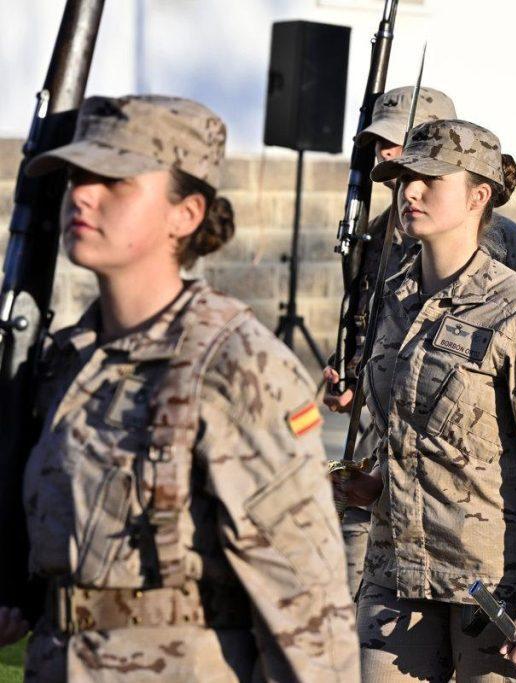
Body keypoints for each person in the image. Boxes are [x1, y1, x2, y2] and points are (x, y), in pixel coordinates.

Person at [0, 95, 358, 681]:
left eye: (114, 180)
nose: (83, 194)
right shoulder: (61, 364)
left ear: (186, 214)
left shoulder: (236, 366)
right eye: (78, 177)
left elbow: (308, 607)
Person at [339, 118, 516, 681]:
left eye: (430, 180)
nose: (410, 191)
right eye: (404, 178)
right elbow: (406, 426)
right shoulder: (395, 297)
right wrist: (369, 479)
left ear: (479, 195)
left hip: (493, 585)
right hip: (397, 571)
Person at [322, 85, 516, 599]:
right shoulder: (375, 234)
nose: (388, 157)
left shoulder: (496, 239)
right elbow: (370, 326)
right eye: (379, 146)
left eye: (399, 145)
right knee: (354, 577)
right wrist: (351, 375)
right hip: (381, 443)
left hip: (466, 463)